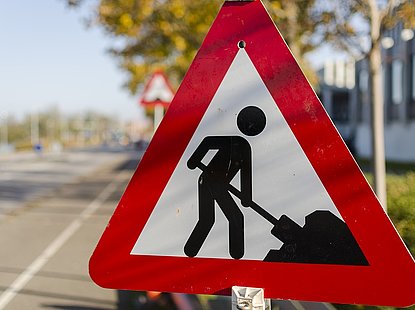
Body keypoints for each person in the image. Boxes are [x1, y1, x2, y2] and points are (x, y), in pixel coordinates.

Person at [184, 106, 266, 259]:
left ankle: (191, 251)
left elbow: (246, 175)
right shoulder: (231, 141)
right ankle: (235, 255)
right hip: (209, 180)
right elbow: (207, 143)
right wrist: (193, 160)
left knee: (209, 219)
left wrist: (246, 198)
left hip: (218, 184)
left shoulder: (244, 147)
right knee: (230, 218)